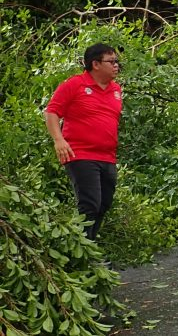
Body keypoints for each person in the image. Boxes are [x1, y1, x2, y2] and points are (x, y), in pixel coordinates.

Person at [45, 43, 124, 241]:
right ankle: (84, 254)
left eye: (117, 61)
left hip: (107, 156)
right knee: (90, 204)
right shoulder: (75, 84)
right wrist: (58, 140)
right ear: (95, 64)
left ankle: (87, 245)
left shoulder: (116, 89)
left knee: (104, 203)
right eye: (112, 61)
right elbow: (52, 112)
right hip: (80, 153)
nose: (116, 65)